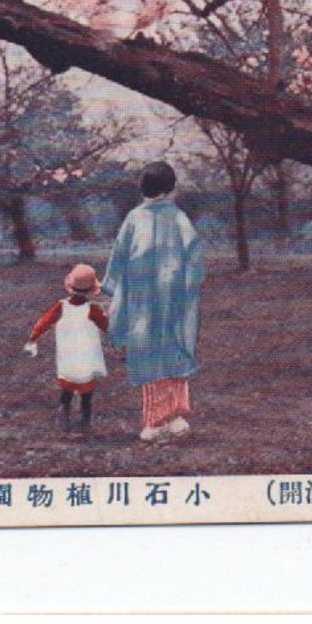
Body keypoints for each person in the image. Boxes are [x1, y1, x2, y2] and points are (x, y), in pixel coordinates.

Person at [100, 161, 207, 443]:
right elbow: (194, 258)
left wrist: (111, 288)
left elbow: (119, 257)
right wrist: (188, 286)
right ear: (171, 188)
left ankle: (162, 419)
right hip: (172, 300)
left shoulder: (134, 218)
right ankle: (170, 416)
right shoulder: (178, 218)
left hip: (143, 300)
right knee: (173, 350)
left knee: (152, 355)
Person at [23, 263, 110, 431]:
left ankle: (64, 412)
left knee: (68, 386)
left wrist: (33, 339)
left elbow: (44, 322)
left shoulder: (61, 306)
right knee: (87, 390)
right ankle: (85, 419)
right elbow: (105, 325)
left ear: (70, 286)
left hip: (68, 356)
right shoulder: (92, 309)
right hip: (87, 358)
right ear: (92, 289)